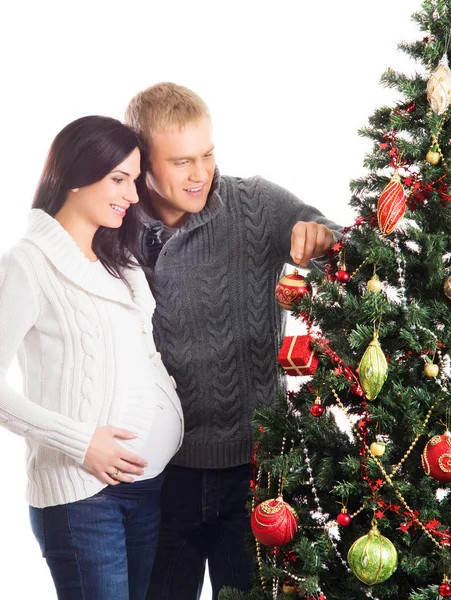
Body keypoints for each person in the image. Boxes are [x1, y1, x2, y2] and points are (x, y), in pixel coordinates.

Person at [125, 83, 342, 600]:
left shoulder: (253, 203)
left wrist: (323, 238)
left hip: (254, 468)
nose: (200, 173)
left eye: (208, 154)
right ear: (140, 163)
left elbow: (345, 244)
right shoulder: (117, 222)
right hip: (160, 474)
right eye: (181, 162)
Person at [0, 115, 183, 600]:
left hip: (148, 486)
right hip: (82, 496)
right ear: (77, 176)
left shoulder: (120, 264)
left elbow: (146, 358)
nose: (131, 195)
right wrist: (81, 443)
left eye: (134, 181)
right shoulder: (29, 262)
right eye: (117, 179)